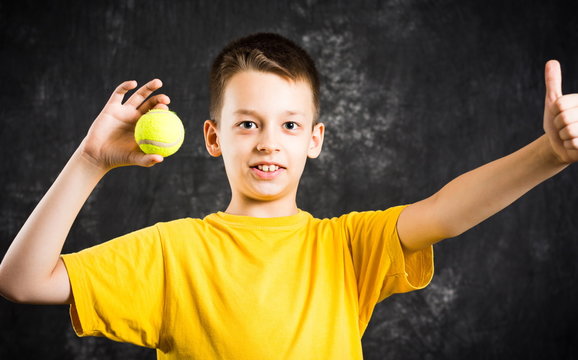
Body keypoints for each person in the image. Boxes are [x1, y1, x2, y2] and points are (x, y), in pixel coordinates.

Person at [0, 32, 576, 359]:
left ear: (316, 140)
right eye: (247, 124)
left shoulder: (346, 246)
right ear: (212, 137)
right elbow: (22, 281)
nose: (268, 143)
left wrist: (547, 153)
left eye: (290, 126)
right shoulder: (172, 253)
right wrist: (90, 161)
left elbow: (445, 214)